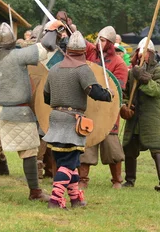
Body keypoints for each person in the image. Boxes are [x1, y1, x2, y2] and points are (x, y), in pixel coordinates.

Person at [0, 22, 60, 201]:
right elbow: (47, 46)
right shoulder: (18, 55)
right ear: (11, 42)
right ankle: (35, 191)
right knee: (29, 151)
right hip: (18, 113)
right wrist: (53, 30)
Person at [43, 31, 113, 209]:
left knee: (69, 163)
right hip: (72, 121)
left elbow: (46, 97)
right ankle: (55, 199)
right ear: (82, 51)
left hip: (55, 118)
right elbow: (94, 92)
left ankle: (75, 199)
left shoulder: (54, 69)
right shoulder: (82, 69)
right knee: (68, 163)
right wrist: (109, 94)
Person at [79, 26, 128, 189]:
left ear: (110, 43)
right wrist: (68, 26)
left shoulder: (119, 63)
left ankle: (117, 180)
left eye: (103, 40)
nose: (98, 43)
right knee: (87, 142)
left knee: (111, 146)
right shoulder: (92, 53)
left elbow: (119, 87)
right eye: (98, 39)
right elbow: (78, 40)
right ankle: (83, 179)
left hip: (108, 109)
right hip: (90, 106)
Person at [121, 37, 160, 192]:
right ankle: (129, 180)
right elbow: (125, 93)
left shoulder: (159, 72)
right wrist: (124, 105)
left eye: (146, 52)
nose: (142, 54)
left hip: (150, 117)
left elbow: (156, 91)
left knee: (156, 149)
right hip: (134, 117)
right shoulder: (132, 73)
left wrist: (143, 79)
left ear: (151, 53)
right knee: (129, 148)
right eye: (140, 51)